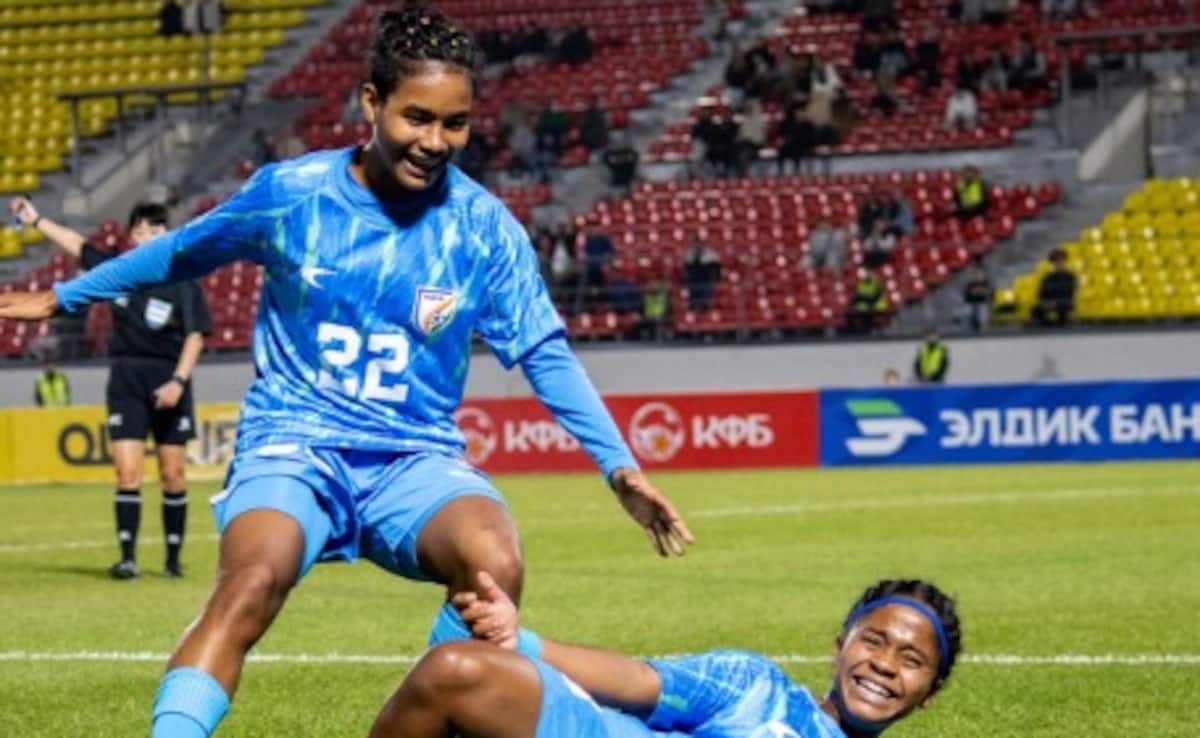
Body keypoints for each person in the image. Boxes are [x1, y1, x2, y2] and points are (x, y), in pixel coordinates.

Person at [0, 8, 693, 738]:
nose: (435, 141)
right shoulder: (293, 194)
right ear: (371, 103)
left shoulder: (484, 227)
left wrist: (619, 467)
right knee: (252, 582)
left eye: (454, 124)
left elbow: (544, 353)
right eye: (416, 117)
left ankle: (424, 719)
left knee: (494, 560)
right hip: (294, 443)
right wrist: (63, 296)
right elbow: (179, 252)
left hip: (413, 458)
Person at [369, 572, 962, 738]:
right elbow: (636, 681)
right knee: (456, 669)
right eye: (873, 641)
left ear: (929, 693)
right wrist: (518, 643)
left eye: (912, 660)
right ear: (840, 648)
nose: (885, 665)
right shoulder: (755, 685)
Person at [9, 197, 210, 580]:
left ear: (166, 234)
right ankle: (128, 559)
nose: (147, 236)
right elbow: (77, 245)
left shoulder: (182, 280)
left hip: (170, 378)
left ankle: (172, 560)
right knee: (127, 472)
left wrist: (178, 382)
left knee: (173, 474)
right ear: (132, 236)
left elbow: (196, 336)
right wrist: (36, 220)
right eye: (140, 231)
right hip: (126, 379)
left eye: (154, 230)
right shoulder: (119, 272)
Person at [1032, 248, 1077, 326]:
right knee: (1036, 309)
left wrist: (1055, 302)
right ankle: (1047, 324)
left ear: (1065, 261)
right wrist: (1045, 302)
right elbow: (1042, 293)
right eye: (1056, 261)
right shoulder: (1047, 277)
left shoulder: (1070, 276)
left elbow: (1069, 292)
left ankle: (1062, 321)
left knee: (1063, 306)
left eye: (1061, 260)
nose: (1058, 263)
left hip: (1064, 301)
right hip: (1050, 301)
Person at [962, 264, 992, 332]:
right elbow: (967, 295)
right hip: (971, 303)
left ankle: (983, 327)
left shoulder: (986, 284)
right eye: (978, 275)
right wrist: (975, 293)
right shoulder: (971, 284)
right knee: (968, 309)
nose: (980, 277)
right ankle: (969, 327)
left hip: (982, 304)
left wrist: (980, 292)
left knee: (983, 309)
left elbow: (989, 294)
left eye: (981, 275)